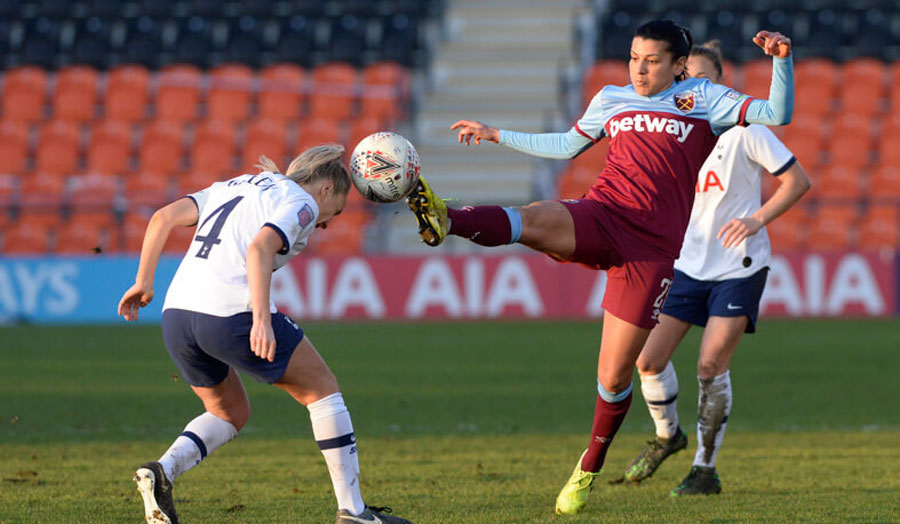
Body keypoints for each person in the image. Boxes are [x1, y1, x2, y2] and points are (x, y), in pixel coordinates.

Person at [406, 20, 795, 515]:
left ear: (679, 65)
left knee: (613, 377)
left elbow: (777, 113)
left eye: (652, 61)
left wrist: (781, 62)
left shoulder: (705, 99)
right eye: (634, 58)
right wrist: (496, 134)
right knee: (535, 218)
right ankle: (447, 218)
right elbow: (566, 145)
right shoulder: (613, 98)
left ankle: (588, 466)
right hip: (603, 214)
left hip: (649, 252)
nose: (639, 69)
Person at [118, 146, 414, 524]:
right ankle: (354, 512)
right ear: (326, 188)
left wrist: (144, 281)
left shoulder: (233, 185)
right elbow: (260, 248)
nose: (326, 224)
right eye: (335, 212)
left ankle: (162, 472)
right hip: (231, 313)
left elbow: (163, 217)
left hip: (177, 315)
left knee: (229, 412)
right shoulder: (302, 202)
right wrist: (260, 319)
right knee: (323, 390)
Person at [617, 40, 810, 496]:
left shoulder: (745, 129)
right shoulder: (675, 130)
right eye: (688, 79)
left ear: (722, 84)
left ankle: (704, 470)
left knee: (710, 365)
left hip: (739, 266)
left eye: (705, 80)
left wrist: (756, 220)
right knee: (647, 361)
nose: (695, 89)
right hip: (686, 263)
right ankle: (669, 436)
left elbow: (797, 180)